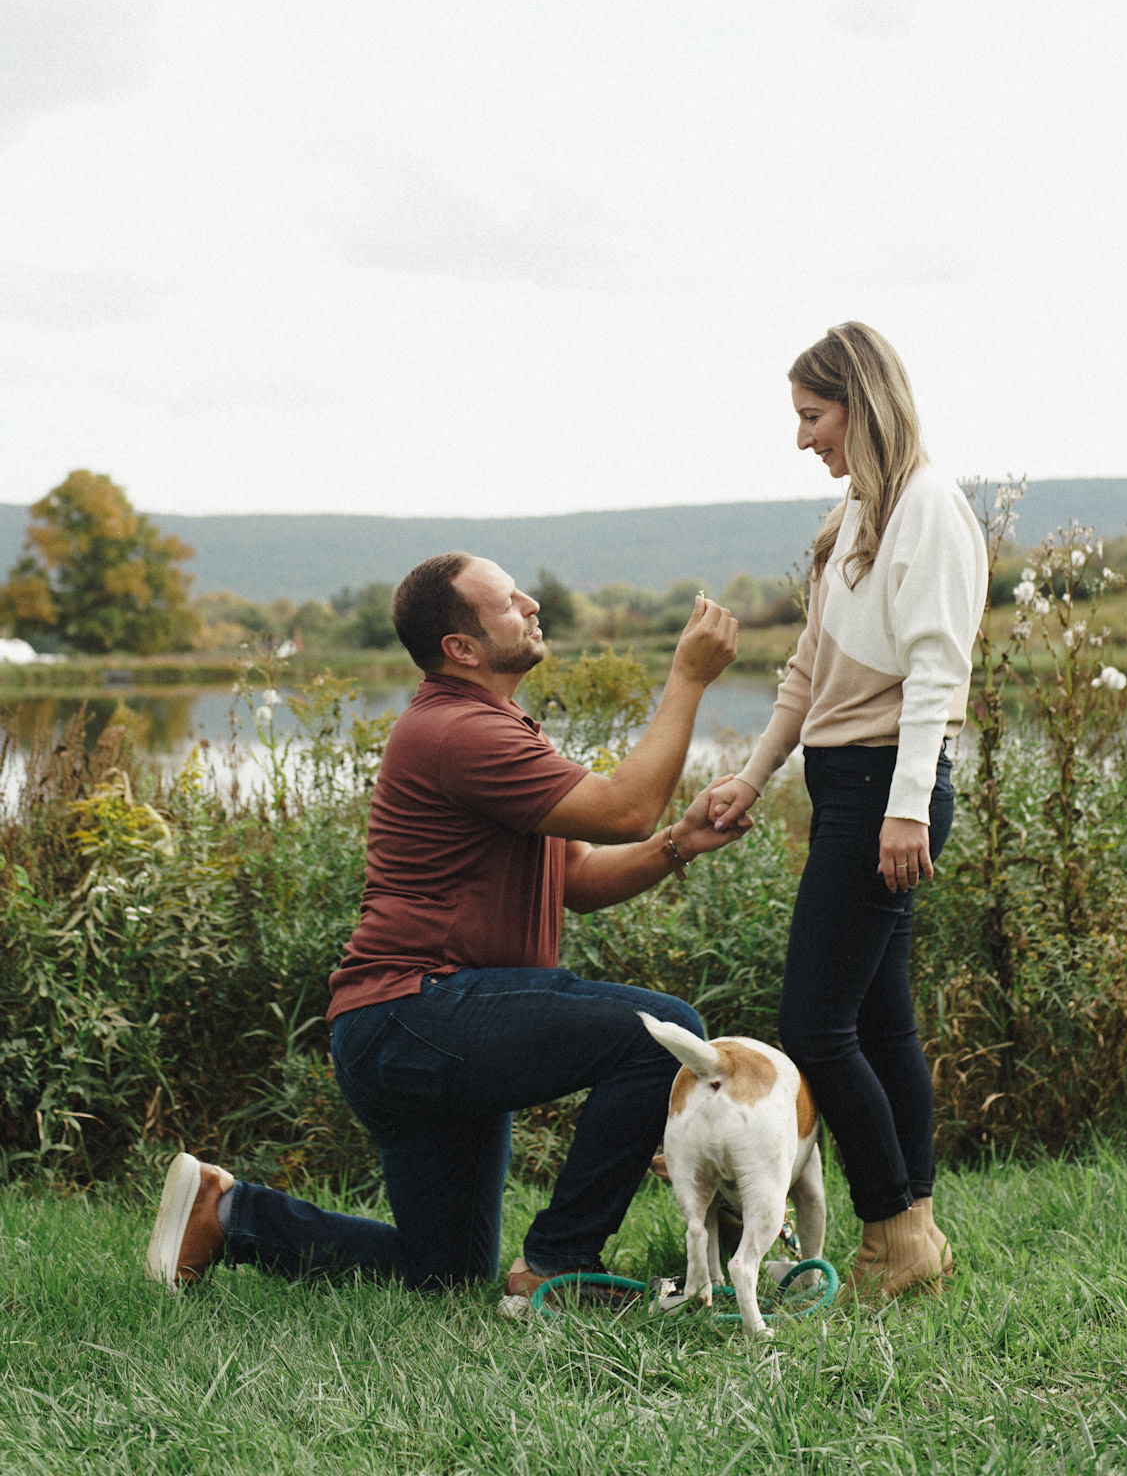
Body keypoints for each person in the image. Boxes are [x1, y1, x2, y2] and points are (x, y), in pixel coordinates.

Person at [146, 552, 746, 1298]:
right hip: (418, 1013)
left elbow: (579, 881)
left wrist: (679, 842)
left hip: (411, 1028)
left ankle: (230, 1214)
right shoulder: (458, 733)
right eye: (508, 602)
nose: (531, 603)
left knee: (448, 1274)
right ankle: (558, 1266)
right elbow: (626, 809)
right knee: (664, 1034)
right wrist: (687, 677)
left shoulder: (496, 728)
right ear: (461, 648)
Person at [709, 323, 987, 1301]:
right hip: (846, 783)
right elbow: (805, 671)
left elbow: (935, 669)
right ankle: (912, 1235)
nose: (801, 438)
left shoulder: (927, 507)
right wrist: (750, 777)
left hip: (884, 788)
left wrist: (906, 808)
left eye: (811, 415)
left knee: (814, 1022)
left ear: (859, 404)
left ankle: (891, 1233)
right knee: (877, 1021)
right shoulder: (852, 517)